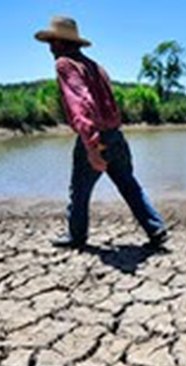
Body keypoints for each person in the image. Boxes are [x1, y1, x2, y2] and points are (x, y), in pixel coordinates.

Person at [35, 16, 168, 249]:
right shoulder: (96, 67)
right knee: (128, 183)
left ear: (60, 42)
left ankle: (77, 237)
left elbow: (81, 104)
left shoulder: (65, 64)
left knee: (79, 190)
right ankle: (155, 229)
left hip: (96, 136)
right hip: (115, 134)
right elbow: (110, 104)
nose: (49, 48)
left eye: (52, 42)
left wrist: (92, 145)